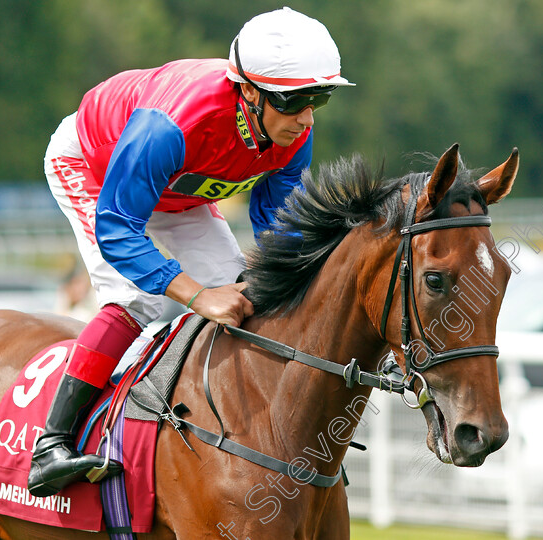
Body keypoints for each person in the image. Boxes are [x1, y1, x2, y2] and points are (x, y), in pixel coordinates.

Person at [28, 7, 353, 497]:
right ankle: (50, 446)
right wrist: (197, 295)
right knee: (140, 300)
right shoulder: (171, 125)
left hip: (179, 190)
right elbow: (118, 228)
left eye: (319, 98)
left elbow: (277, 227)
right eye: (295, 100)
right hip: (96, 167)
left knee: (243, 295)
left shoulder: (293, 132)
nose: (306, 117)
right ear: (248, 90)